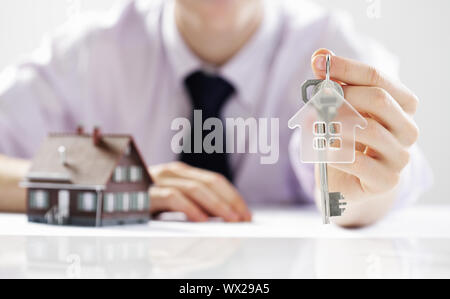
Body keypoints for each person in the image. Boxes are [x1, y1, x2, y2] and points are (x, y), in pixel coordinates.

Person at [0, 0, 431, 227]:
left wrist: (355, 191)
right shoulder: (89, 52)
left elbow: (381, 179)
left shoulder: (331, 48)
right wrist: (107, 178)